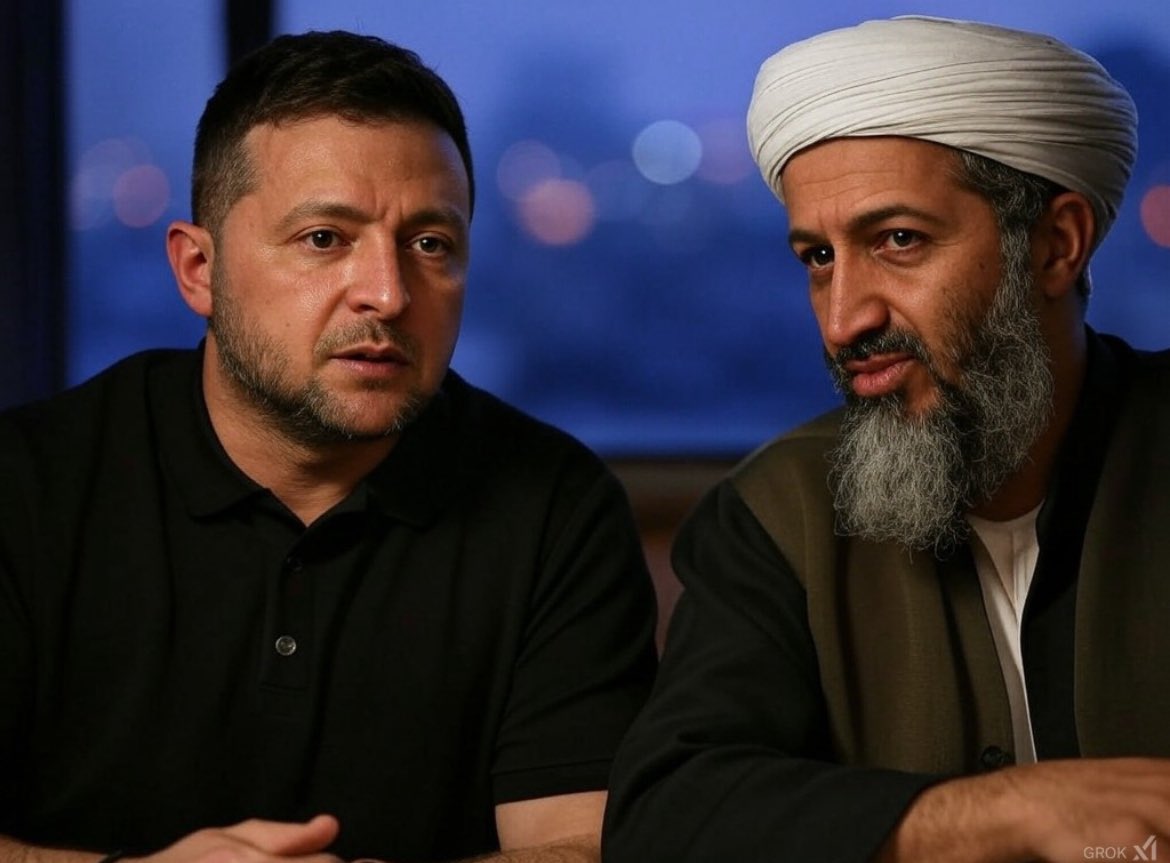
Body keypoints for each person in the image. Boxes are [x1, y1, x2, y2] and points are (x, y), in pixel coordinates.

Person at [0, 30, 657, 863]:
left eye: (430, 244)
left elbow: (580, 842)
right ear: (198, 269)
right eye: (324, 238)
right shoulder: (27, 487)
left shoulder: (555, 506)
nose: (387, 293)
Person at [602, 16, 1170, 863]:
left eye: (898, 240)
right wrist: (1004, 811)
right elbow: (668, 812)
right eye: (818, 258)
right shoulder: (773, 516)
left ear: (1056, 246)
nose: (844, 319)